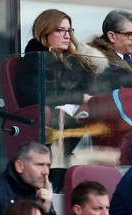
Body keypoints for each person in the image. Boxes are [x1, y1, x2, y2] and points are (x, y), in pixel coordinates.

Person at [17, 9, 96, 166]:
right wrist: (80, 98)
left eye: (69, 30)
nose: (67, 36)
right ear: (44, 31)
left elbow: (92, 89)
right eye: (60, 30)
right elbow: (35, 96)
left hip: (77, 116)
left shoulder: (75, 61)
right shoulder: (35, 59)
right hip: (52, 120)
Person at [0, 141, 56, 215]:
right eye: (40, 165)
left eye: (48, 165)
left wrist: (45, 210)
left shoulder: (40, 192)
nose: (46, 172)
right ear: (19, 166)